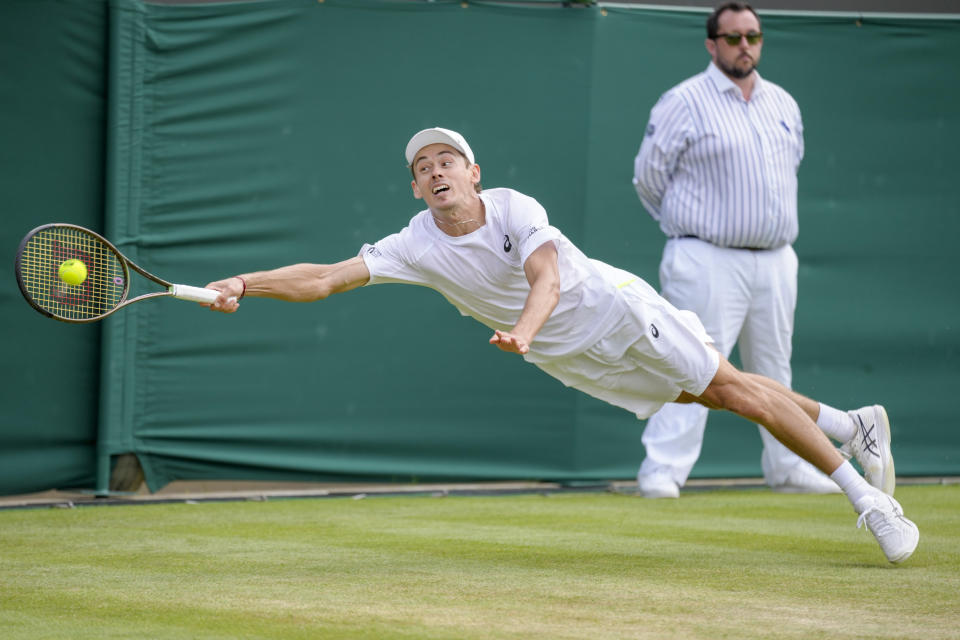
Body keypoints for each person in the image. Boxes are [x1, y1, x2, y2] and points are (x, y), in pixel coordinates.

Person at [205, 126, 918, 564]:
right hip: (574, 356)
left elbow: (542, 278)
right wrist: (246, 280)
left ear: (473, 172)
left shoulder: (514, 208)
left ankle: (868, 500)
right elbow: (326, 277)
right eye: (423, 168)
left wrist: (523, 330)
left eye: (448, 159)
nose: (437, 171)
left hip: (616, 313)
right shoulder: (412, 245)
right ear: (418, 189)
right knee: (721, 392)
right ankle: (850, 425)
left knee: (732, 389)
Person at [632, 2, 836, 498]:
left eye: (753, 36)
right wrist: (689, 231)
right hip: (705, 256)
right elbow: (647, 178)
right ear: (712, 44)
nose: (744, 46)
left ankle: (788, 465)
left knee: (774, 369)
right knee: (691, 363)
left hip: (775, 257)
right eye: (732, 38)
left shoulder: (783, 103)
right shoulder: (683, 100)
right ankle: (662, 471)